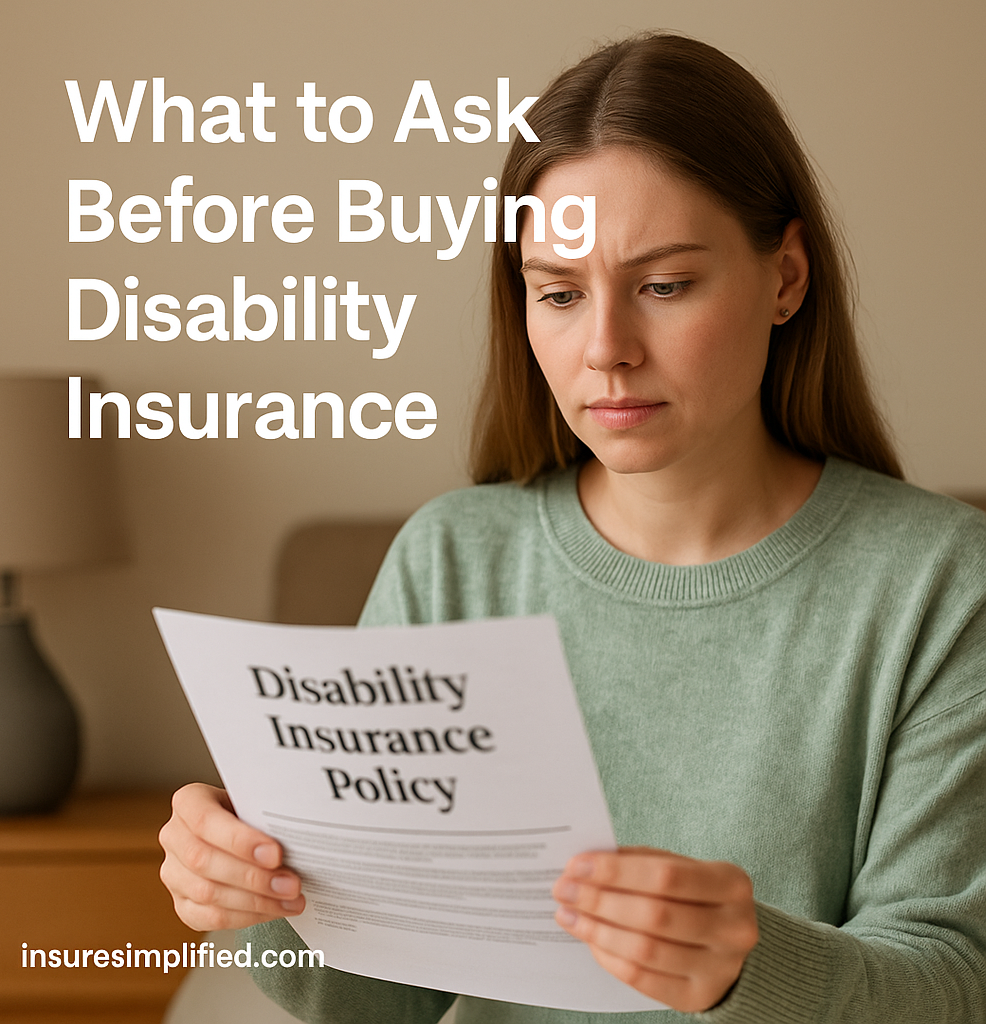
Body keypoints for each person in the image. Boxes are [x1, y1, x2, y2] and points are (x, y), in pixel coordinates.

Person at [159, 32, 986, 1023]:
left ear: (786, 277)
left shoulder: (940, 584)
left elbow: (951, 982)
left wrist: (745, 967)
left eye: (663, 285)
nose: (605, 350)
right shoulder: (451, 561)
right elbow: (372, 1001)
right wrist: (256, 896)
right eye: (557, 293)